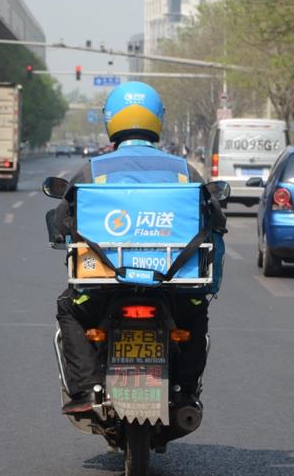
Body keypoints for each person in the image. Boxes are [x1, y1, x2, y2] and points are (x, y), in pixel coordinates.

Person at [52, 82, 226, 414]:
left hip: (101, 288)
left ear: (111, 120)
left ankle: (87, 390)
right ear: (157, 120)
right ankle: (186, 394)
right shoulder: (182, 171)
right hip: (174, 287)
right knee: (195, 311)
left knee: (70, 309)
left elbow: (63, 220)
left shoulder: (93, 170)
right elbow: (215, 221)